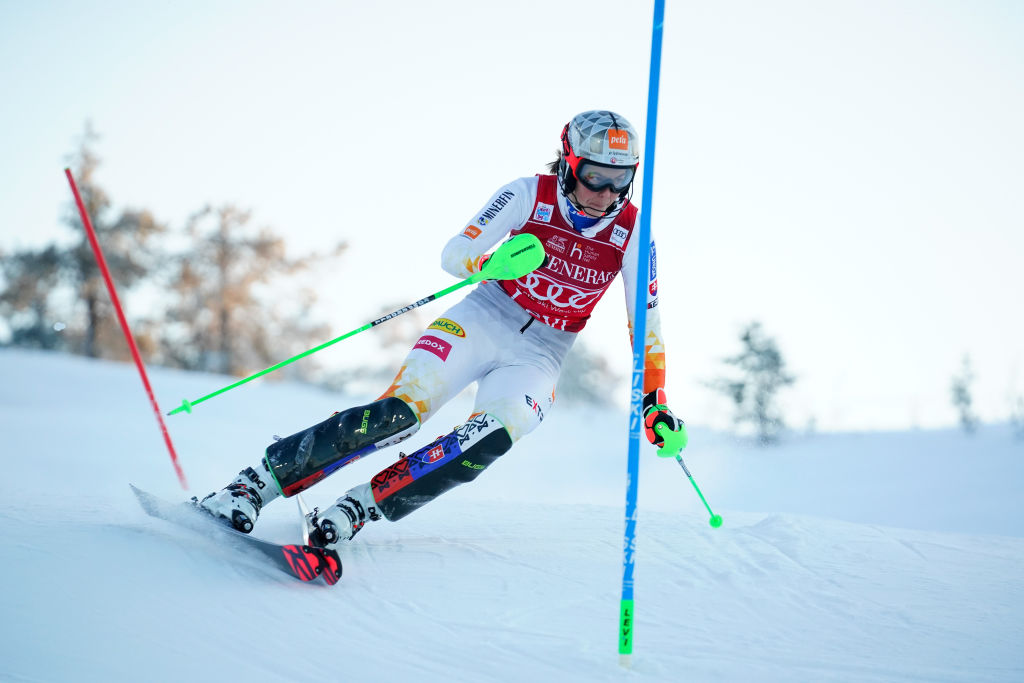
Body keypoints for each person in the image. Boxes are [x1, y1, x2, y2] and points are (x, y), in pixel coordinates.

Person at [199, 110, 685, 546]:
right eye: (593, 176)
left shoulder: (634, 232)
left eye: (618, 181)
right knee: (399, 417)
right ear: (567, 162)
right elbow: (454, 253)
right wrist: (489, 263)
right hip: (484, 316)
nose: (604, 194)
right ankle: (251, 486)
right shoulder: (527, 194)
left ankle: (358, 508)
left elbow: (647, 323)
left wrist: (653, 401)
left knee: (491, 436)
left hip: (542, 351)